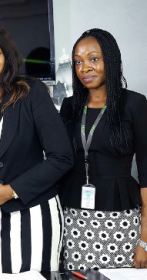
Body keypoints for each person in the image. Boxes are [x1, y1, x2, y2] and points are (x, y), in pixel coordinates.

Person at [0, 22, 74, 275]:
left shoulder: (30, 92)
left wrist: (11, 190)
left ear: (7, 57)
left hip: (35, 212)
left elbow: (61, 157)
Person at [59, 28, 147, 270]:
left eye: (93, 59)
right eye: (78, 62)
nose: (84, 68)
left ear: (111, 59)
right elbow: (58, 162)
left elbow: (146, 172)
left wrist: (145, 240)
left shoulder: (135, 104)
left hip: (120, 218)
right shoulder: (69, 106)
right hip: (74, 217)